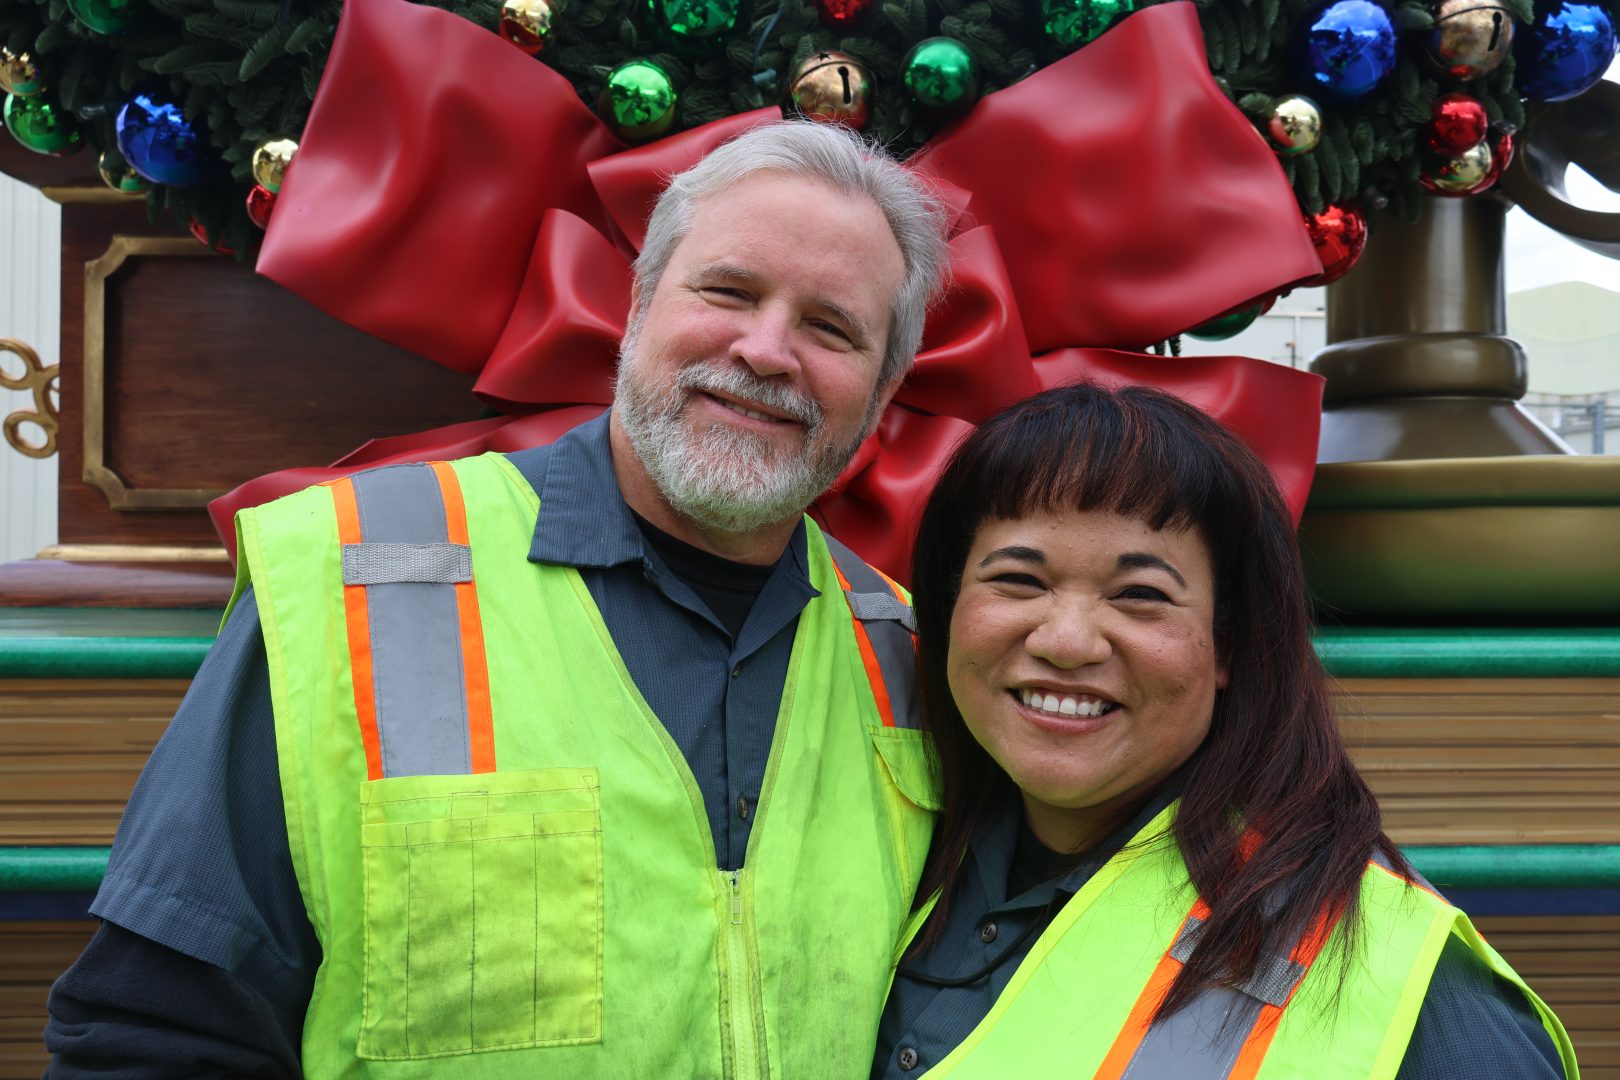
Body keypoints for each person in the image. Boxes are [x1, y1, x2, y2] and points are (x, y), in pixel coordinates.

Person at [46, 120, 950, 1077]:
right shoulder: (351, 577)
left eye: (830, 328)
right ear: (639, 303)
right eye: (727, 291)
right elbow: (152, 1034)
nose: (766, 350)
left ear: (883, 389)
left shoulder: (912, 660)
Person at [873, 384, 1580, 1079]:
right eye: (1019, 580)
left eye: (1140, 595)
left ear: (1230, 645)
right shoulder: (895, 856)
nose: (1066, 641)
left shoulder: (1403, 987)